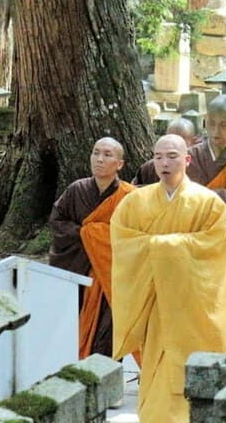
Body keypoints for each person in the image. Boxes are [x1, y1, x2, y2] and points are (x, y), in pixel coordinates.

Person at [111, 135, 226, 422]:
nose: (163, 163)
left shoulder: (208, 203)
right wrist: (168, 248)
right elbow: (124, 243)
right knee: (160, 373)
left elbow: (216, 249)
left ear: (187, 159)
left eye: (171, 156)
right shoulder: (135, 203)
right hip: (159, 304)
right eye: (158, 157)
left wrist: (159, 246)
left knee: (199, 372)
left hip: (196, 307)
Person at [136, 95, 226, 353]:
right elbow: (167, 193)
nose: (216, 131)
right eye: (211, 123)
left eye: (223, 124)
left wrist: (214, 198)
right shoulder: (189, 158)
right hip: (188, 245)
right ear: (204, 123)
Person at [49, 137, 134, 359]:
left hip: (112, 278)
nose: (99, 159)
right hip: (79, 271)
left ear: (120, 164)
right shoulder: (76, 190)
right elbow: (58, 222)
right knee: (72, 326)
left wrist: (99, 237)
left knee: (109, 334)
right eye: (96, 153)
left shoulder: (130, 197)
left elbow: (136, 237)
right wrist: (87, 235)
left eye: (107, 155)